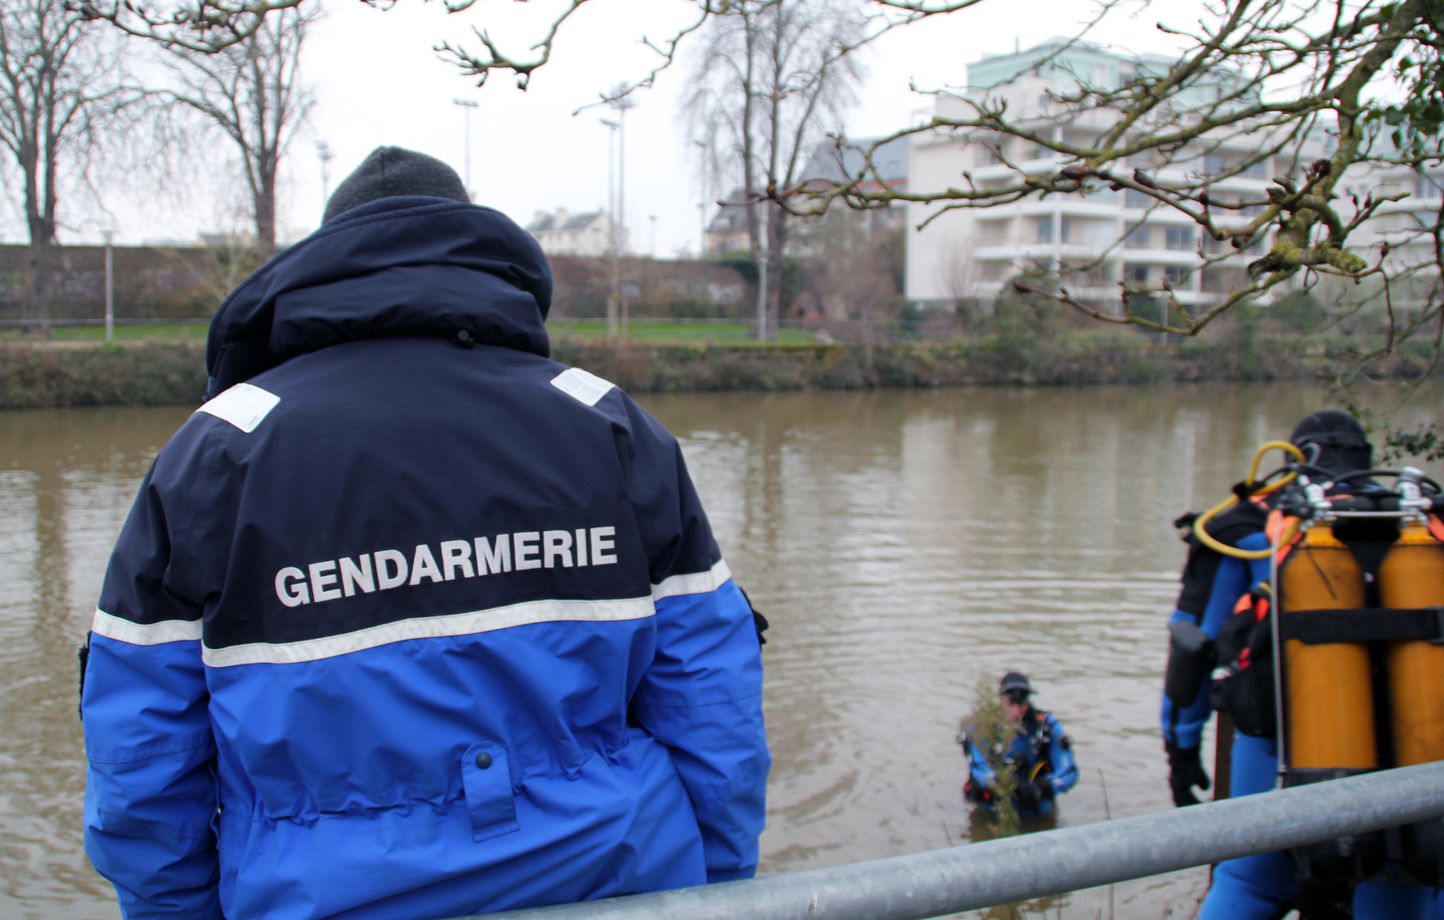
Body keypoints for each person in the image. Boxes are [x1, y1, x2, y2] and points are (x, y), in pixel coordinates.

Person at [79, 146, 771, 919]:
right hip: (616, 879)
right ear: (484, 258)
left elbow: (140, 765)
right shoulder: (604, 423)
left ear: (320, 267)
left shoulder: (217, 452)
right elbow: (715, 707)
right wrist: (711, 886)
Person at [1161, 409, 1443, 919]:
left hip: (1285, 754)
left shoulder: (1254, 528)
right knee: (1407, 887)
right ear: (1365, 457)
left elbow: (1191, 648)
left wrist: (1181, 754)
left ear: (1295, 458)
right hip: (1417, 769)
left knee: (1249, 885)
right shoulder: (1422, 526)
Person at [961, 672, 1079, 817]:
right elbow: (978, 768)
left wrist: (1042, 787)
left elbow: (1069, 771)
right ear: (1001, 700)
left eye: (1022, 704)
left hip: (1035, 807)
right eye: (1011, 704)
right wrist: (1004, 783)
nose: (1017, 712)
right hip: (994, 811)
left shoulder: (1046, 726)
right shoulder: (983, 727)